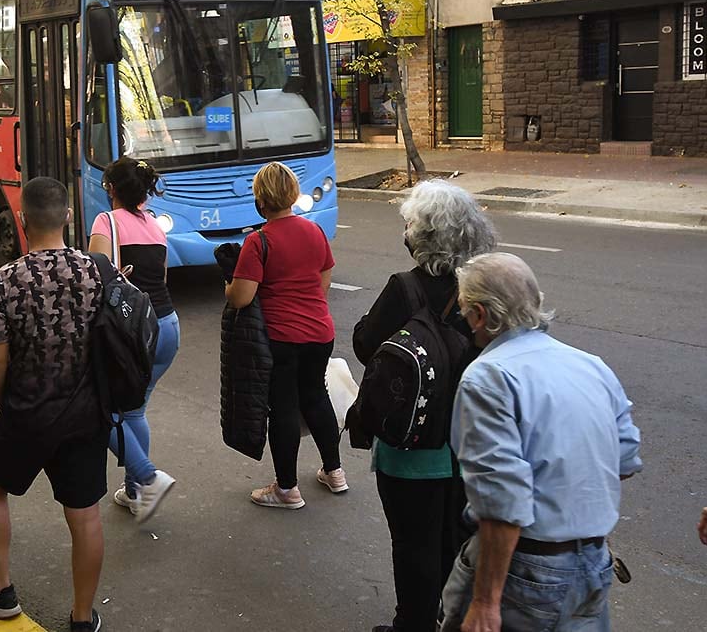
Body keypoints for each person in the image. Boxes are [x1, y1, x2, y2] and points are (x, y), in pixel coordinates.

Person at [441, 253, 643, 632]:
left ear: (481, 315)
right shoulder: (591, 365)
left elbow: (501, 503)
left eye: (466, 312)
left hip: (528, 570)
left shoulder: (487, 377)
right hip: (593, 562)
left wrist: (485, 603)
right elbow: (626, 458)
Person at [352, 180, 497, 632]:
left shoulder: (405, 288)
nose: (407, 230)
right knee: (455, 539)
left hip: (412, 447)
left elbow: (365, 344)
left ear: (425, 234)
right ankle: (450, 615)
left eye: (411, 223)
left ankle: (412, 623)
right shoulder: (485, 288)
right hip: (469, 445)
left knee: (412, 542)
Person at [0, 177, 106, 632]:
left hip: (27, 410)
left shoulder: (5, 280)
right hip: (85, 412)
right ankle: (82, 618)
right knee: (84, 515)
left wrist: (5, 403)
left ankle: (1, 589)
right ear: (68, 217)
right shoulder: (96, 271)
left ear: (22, 221)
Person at [222, 161, 345, 509]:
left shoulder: (259, 241)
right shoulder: (315, 231)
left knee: (284, 407)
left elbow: (242, 296)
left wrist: (228, 285)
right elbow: (323, 281)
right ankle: (335, 472)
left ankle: (287, 489)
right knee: (316, 397)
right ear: (293, 194)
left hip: (281, 338)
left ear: (260, 200)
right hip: (320, 332)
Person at [87, 156, 179, 522]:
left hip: (131, 332)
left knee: (103, 409)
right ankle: (136, 491)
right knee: (135, 407)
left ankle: (147, 477)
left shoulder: (106, 221)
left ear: (111, 188)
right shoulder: (156, 226)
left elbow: (95, 282)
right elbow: (163, 279)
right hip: (167, 325)